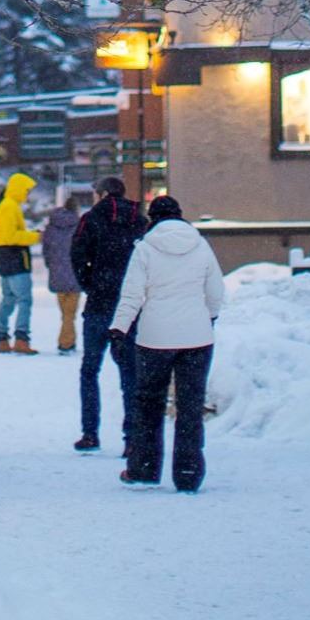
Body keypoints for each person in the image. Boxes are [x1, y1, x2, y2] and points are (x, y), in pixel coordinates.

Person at [109, 194, 225, 492]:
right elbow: (215, 290)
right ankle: (188, 473)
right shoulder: (201, 246)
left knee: (148, 403)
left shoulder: (145, 248)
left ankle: (144, 469)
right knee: (190, 405)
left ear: (152, 218)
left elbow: (132, 295)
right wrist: (208, 317)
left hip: (155, 337)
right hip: (197, 337)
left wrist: (119, 329)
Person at [69, 176, 145, 453]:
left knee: (90, 369)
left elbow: (77, 254)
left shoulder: (91, 219)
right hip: (128, 306)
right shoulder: (139, 218)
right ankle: (132, 437)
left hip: (99, 304)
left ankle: (90, 433)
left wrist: (91, 283)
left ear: (101, 194)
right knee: (130, 372)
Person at [0, 171, 42, 354]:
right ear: (19, 189)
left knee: (8, 299)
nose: (27, 194)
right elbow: (10, 236)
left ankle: (2, 337)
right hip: (15, 259)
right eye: (26, 190)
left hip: (5, 258)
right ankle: (21, 338)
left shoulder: (7, 205)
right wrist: (35, 237)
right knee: (24, 299)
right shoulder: (9, 206)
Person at [41, 193, 83, 353]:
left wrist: (50, 264)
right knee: (70, 313)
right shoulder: (79, 225)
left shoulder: (51, 226)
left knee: (65, 312)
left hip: (57, 272)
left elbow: (46, 250)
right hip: (74, 272)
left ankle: (68, 341)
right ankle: (65, 343)